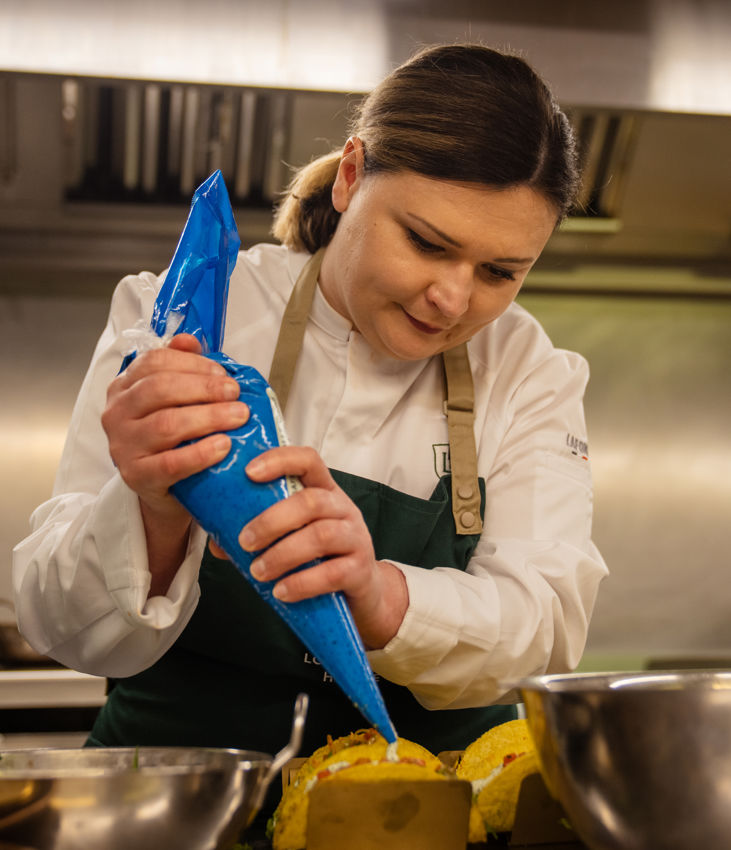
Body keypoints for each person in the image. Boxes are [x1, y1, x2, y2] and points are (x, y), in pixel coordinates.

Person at [13, 42, 606, 787]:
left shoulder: (527, 373)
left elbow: (543, 628)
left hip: (419, 811)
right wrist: (153, 506)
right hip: (178, 802)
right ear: (351, 177)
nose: (452, 300)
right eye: (425, 242)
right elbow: (57, 624)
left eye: (499, 272)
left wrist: (380, 593)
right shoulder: (192, 316)